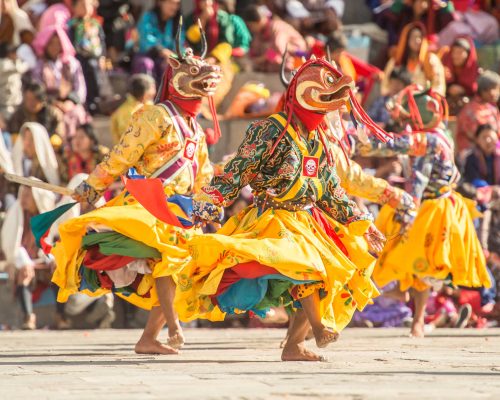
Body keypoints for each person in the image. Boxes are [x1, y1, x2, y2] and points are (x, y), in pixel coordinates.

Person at [175, 56, 387, 361]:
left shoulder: (318, 138)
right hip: (274, 217)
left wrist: (362, 221)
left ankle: (294, 344)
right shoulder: (270, 129)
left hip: (310, 220)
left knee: (342, 264)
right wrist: (207, 204)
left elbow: (330, 190)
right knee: (308, 266)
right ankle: (318, 326)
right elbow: (239, 170)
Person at [49, 28, 222, 355]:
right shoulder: (156, 115)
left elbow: (203, 173)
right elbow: (123, 154)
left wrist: (207, 203)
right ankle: (173, 326)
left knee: (182, 269)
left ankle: (148, 338)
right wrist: (93, 184)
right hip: (147, 204)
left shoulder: (196, 129)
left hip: (178, 211)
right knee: (166, 258)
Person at [354, 85, 492, 337]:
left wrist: (357, 139)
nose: (405, 118)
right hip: (436, 205)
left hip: (428, 209)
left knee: (411, 261)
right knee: (415, 264)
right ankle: (412, 314)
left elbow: (397, 151)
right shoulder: (442, 134)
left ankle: (409, 311)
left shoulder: (428, 139)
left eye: (409, 113)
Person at [1, 184, 57, 329]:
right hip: (21, 261)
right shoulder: (17, 213)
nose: (23, 199)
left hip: (41, 261)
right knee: (24, 274)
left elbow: (51, 243)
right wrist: (25, 262)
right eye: (22, 195)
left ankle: (61, 317)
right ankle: (28, 317)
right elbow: (12, 244)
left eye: (27, 196)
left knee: (59, 271)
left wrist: (52, 259)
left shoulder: (45, 215)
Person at [31, 24, 88, 138]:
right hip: (48, 104)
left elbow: (80, 87)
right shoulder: (39, 66)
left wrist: (71, 102)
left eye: (57, 43)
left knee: (77, 113)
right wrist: (54, 103)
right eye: (51, 43)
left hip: (70, 103)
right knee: (54, 116)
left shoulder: (71, 63)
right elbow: (37, 89)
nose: (54, 47)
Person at [382, 22, 446, 96]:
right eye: (414, 37)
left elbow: (439, 86)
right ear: (407, 39)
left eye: (420, 37)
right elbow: (385, 85)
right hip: (397, 100)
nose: (417, 40)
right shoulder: (396, 60)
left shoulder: (431, 60)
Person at [68, 0, 107, 114]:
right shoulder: (72, 25)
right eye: (82, 5)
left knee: (95, 75)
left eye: (88, 5)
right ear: (74, 7)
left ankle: (96, 102)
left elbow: (102, 41)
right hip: (80, 57)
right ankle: (87, 103)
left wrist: (102, 56)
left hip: (95, 57)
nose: (86, 8)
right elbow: (70, 42)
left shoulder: (95, 23)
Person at [242, 5, 307, 72]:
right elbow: (254, 51)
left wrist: (262, 58)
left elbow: (279, 49)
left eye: (251, 25)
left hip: (296, 58)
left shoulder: (277, 27)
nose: (250, 28)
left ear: (259, 21)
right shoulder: (258, 34)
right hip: (276, 60)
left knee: (275, 58)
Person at [133, 0, 183, 82]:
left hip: (168, 58)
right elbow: (146, 40)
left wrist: (176, 56)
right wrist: (163, 52)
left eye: (177, 4)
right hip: (147, 55)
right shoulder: (148, 17)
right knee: (146, 64)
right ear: (160, 2)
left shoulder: (177, 21)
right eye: (171, 3)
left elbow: (179, 44)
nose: (174, 7)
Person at [186, 0, 252, 58]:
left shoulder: (222, 18)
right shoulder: (191, 18)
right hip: (197, 59)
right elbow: (190, 41)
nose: (207, 3)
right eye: (203, 0)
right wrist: (202, 20)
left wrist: (214, 58)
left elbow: (227, 43)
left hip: (218, 59)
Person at [456, 71, 500, 156]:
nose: (497, 93)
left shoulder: (492, 109)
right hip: (472, 156)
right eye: (494, 89)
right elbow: (478, 139)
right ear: (484, 90)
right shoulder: (470, 112)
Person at [110, 74, 156, 144]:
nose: (155, 91)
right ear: (145, 92)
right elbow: (130, 141)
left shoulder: (147, 104)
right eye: (153, 88)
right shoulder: (128, 112)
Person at [11, 122, 61, 186]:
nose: (27, 143)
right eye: (25, 138)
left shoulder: (53, 163)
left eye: (31, 139)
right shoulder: (18, 161)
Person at [441, 36, 479, 115]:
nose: (455, 56)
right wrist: (449, 88)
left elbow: (476, 91)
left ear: (468, 54)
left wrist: (463, 90)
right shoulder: (445, 66)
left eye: (460, 52)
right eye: (454, 52)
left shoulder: (475, 71)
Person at [0, 43, 29, 122]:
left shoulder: (11, 63)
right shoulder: (3, 63)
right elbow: (20, 68)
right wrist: (19, 61)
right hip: (5, 104)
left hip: (14, 103)